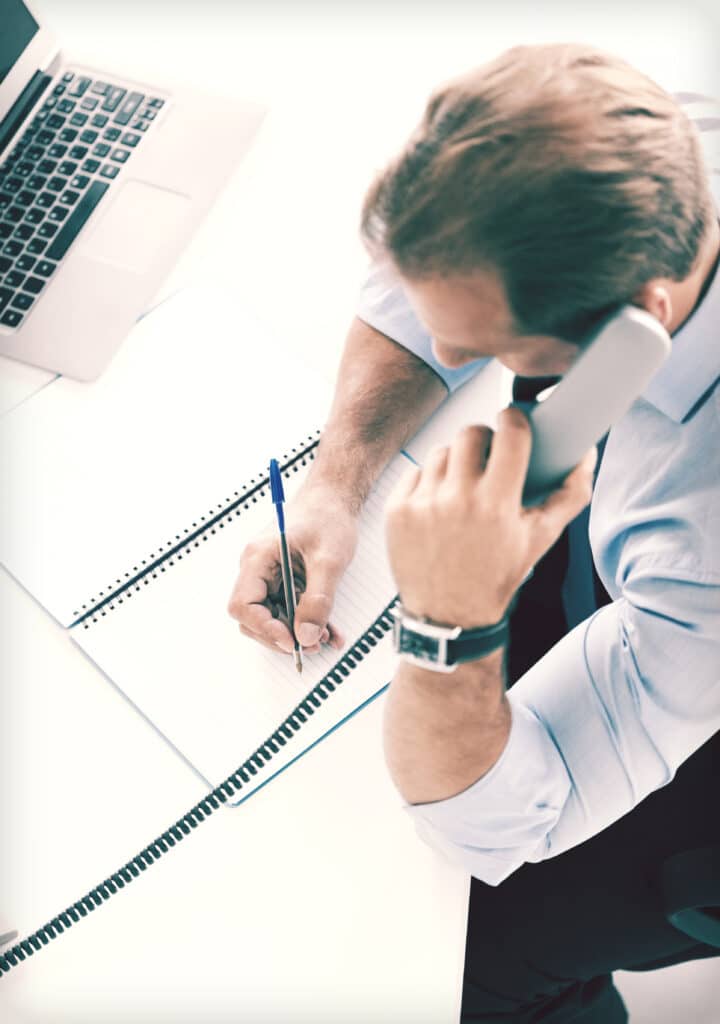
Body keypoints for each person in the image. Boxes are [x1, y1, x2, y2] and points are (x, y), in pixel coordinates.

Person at [228, 44, 720, 1022]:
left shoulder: (701, 542)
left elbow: (493, 828)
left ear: (642, 325)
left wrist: (449, 619)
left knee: (472, 958)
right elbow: (420, 279)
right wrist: (338, 478)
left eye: (488, 349)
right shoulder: (656, 132)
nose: (446, 359)